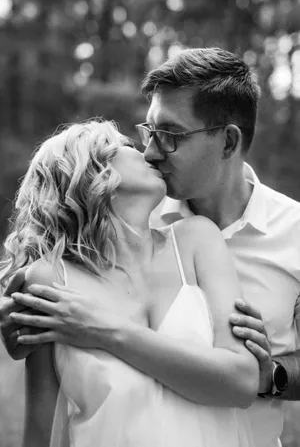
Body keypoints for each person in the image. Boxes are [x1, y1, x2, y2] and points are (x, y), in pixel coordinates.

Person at [1, 47, 300, 445]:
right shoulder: (131, 220)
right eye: (149, 131)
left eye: (171, 135)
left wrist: (270, 374)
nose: (151, 151)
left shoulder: (290, 233)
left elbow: (241, 380)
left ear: (228, 142)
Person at [0, 119, 258, 447]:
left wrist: (105, 330)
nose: (150, 154)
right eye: (130, 147)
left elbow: (242, 382)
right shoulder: (51, 279)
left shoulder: (196, 240)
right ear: (96, 171)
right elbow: (39, 429)